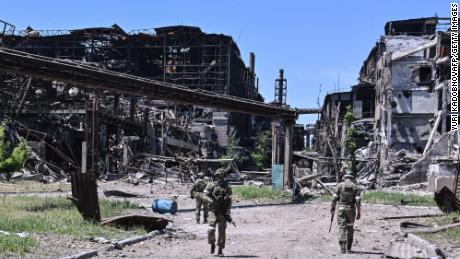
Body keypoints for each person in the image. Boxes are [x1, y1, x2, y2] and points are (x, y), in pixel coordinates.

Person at [330, 170, 361, 254]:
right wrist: (359, 212)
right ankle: (349, 248)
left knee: (342, 228)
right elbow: (358, 201)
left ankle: (342, 247)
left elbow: (334, 199)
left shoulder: (339, 186)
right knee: (350, 228)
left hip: (341, 209)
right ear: (352, 178)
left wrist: (332, 209)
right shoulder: (356, 187)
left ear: (345, 177)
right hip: (351, 210)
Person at [204, 168, 232, 256]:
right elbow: (204, 196)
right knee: (211, 229)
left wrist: (228, 211)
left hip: (222, 211)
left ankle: (220, 249)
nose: (220, 178)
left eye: (222, 176)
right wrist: (211, 201)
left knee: (222, 231)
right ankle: (212, 243)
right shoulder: (211, 185)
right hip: (212, 210)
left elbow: (229, 200)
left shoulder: (227, 187)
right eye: (219, 176)